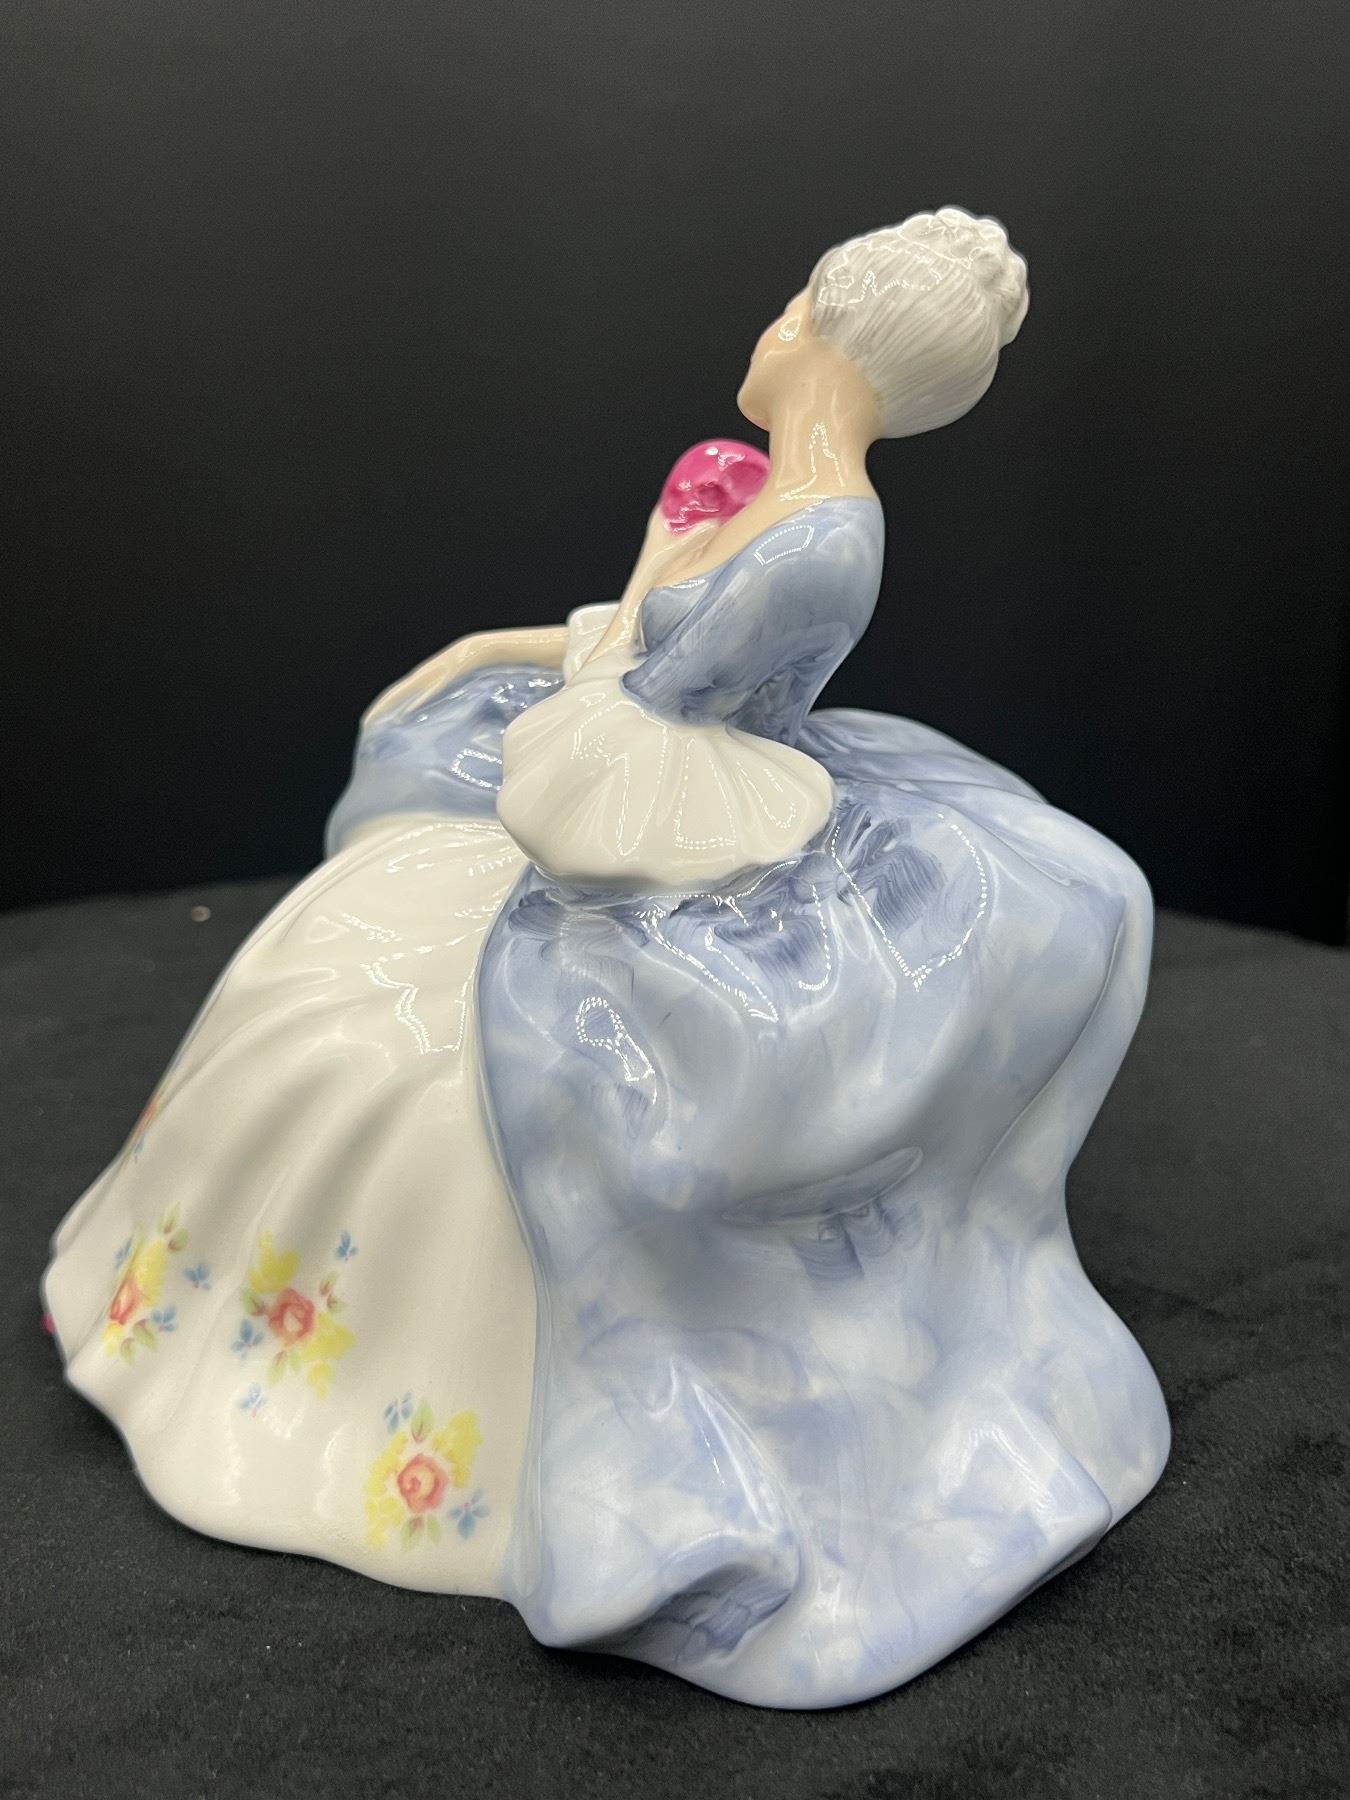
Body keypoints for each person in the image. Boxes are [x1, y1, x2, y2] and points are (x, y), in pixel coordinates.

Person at [45, 210, 1169, 1709]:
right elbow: (641, 651)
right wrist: (503, 646)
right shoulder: (783, 502)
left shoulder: (825, 536)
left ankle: (654, 1452)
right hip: (655, 775)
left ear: (820, 330)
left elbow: (653, 696)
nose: (766, 324)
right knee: (350, 938)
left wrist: (583, 634)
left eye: (788, 302)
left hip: (685, 835)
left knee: (540, 1047)